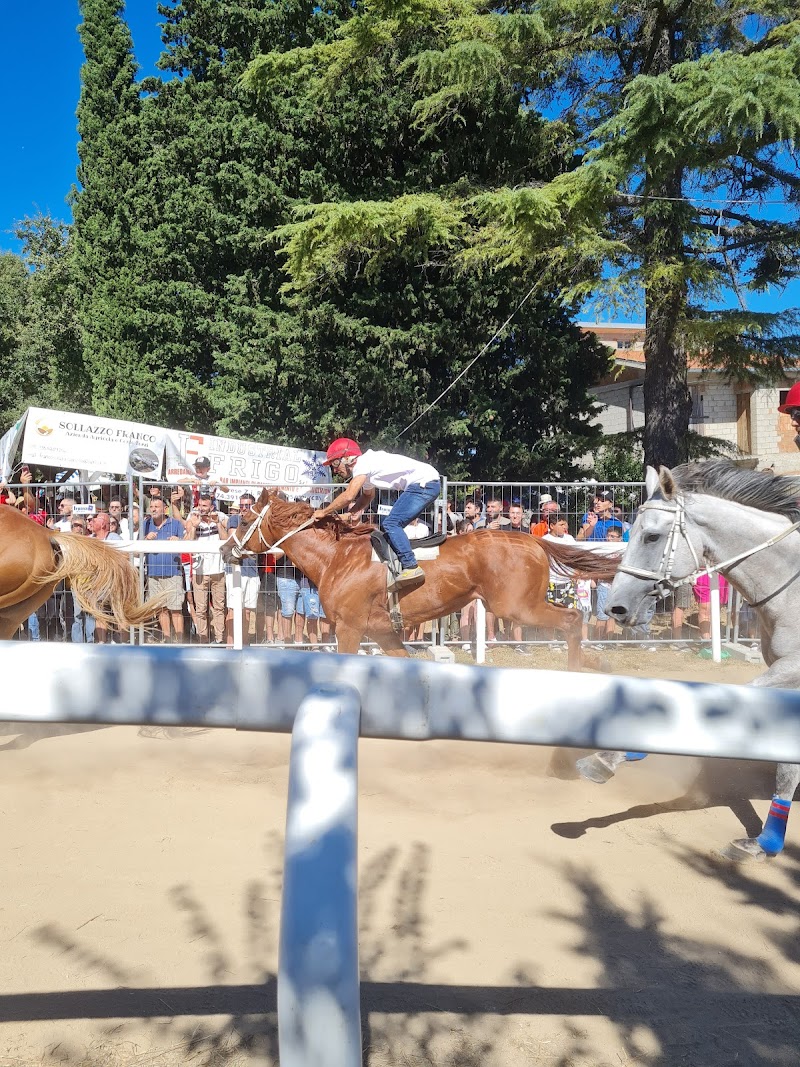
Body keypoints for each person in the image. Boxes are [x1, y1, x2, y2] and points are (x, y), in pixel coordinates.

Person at [315, 438, 440, 584]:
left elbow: (349, 496)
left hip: (424, 483)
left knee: (391, 523)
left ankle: (411, 566)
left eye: (335, 463)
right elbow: (368, 496)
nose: (335, 470)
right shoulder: (366, 469)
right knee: (392, 525)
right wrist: (350, 514)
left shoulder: (362, 464)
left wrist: (324, 512)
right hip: (425, 482)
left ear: (347, 458)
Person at [184, 493, 227, 645]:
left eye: (204, 506)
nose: (201, 508)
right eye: (199, 505)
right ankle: (203, 639)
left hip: (218, 570)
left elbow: (225, 540)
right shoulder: (193, 517)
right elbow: (188, 544)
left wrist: (218, 524)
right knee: (201, 609)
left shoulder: (220, 516)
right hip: (199, 571)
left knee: (219, 607)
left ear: (211, 507)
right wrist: (194, 527)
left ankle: (219, 639)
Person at [143, 496, 186, 643]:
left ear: (165, 509)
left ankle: (179, 642)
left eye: (157, 507)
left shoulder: (176, 524)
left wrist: (179, 542)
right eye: (151, 507)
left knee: (176, 609)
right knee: (160, 609)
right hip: (153, 574)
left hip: (173, 573)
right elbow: (136, 550)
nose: (153, 509)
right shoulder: (146, 524)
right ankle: (167, 639)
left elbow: (186, 545)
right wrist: (145, 540)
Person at [225, 493, 260, 647]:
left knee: (247, 612)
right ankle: (230, 646)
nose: (244, 508)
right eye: (241, 505)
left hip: (252, 571)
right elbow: (235, 540)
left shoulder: (258, 521)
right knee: (233, 610)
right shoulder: (234, 519)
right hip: (235, 570)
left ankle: (243, 646)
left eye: (247, 505)